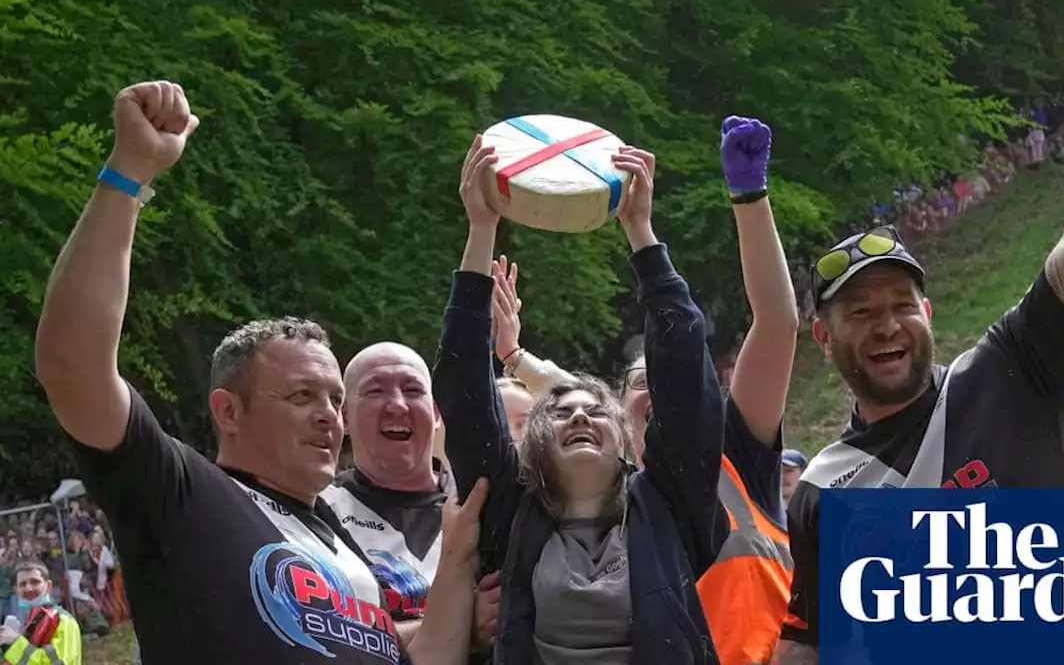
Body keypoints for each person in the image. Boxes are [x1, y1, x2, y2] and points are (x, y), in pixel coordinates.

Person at [773, 0, 1064, 663]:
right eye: (860, 313)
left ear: (926, 316)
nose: (886, 326)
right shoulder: (822, 487)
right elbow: (807, 638)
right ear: (824, 339)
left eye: (901, 304)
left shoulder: (1006, 375)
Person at [32, 80, 478, 665]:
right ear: (229, 411)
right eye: (300, 395)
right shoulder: (184, 492)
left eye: (333, 398)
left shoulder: (343, 546)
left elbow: (412, 654)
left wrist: (467, 574)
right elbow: (72, 366)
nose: (328, 415)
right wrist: (128, 174)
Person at [489, 116, 798, 665]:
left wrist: (750, 197)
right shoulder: (574, 498)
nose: (661, 389)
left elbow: (775, 322)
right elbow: (577, 401)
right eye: (640, 384)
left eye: (666, 379)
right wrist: (514, 360)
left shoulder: (733, 458)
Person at [435, 137, 727, 664]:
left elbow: (685, 369)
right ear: (535, 442)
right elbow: (461, 380)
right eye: (559, 409)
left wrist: (641, 231)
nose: (577, 413)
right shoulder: (509, 510)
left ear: (625, 440)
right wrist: (481, 229)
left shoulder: (671, 503)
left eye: (595, 407)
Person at [321, 341, 501, 648]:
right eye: (375, 391)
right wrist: (459, 624)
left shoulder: (483, 506)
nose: (398, 405)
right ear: (345, 417)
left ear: (434, 413)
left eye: (413, 390)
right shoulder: (317, 510)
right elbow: (325, 639)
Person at [0, 561, 82, 665]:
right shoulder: (25, 622)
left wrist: (15, 643)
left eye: (35, 582)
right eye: (22, 584)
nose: (28, 588)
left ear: (48, 586)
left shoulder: (63, 620)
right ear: (16, 591)